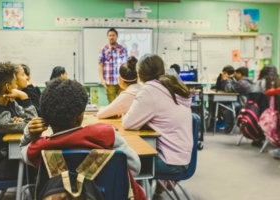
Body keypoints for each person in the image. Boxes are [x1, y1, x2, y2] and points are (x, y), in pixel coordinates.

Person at [19, 78, 146, 199]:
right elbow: (135, 167)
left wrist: (29, 133)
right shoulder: (106, 135)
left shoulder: (39, 148)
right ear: (81, 114)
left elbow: (23, 150)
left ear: (46, 119)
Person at [122, 54, 193, 196]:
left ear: (140, 75)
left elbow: (128, 123)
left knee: (120, 163)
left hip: (171, 162)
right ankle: (151, 191)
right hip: (183, 157)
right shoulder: (171, 85)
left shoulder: (150, 90)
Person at [99, 28, 128, 103]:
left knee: (123, 103)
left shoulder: (122, 49)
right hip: (109, 82)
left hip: (121, 82)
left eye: (113, 35)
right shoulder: (104, 49)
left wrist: (126, 79)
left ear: (116, 36)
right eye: (109, 35)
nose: (111, 37)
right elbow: (100, 65)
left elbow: (126, 65)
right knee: (111, 104)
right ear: (107, 37)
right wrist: (102, 80)